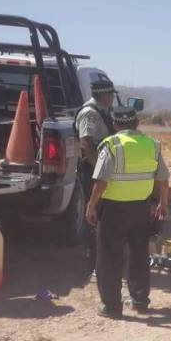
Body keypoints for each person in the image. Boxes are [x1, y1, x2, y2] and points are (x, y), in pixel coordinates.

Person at [85, 106, 170, 319]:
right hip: (141, 208)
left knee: (109, 257)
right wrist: (163, 202)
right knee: (139, 255)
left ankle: (112, 306)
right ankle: (140, 301)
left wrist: (91, 205)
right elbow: (162, 177)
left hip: (113, 210)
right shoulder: (152, 145)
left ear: (115, 124)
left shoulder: (112, 145)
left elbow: (102, 180)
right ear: (137, 123)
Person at [74, 79, 116, 272]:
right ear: (104, 95)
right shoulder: (90, 113)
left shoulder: (102, 111)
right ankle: (93, 261)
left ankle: (102, 257)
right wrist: (100, 169)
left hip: (101, 169)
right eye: (111, 95)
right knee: (93, 214)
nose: (112, 99)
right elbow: (86, 144)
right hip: (92, 170)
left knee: (102, 213)